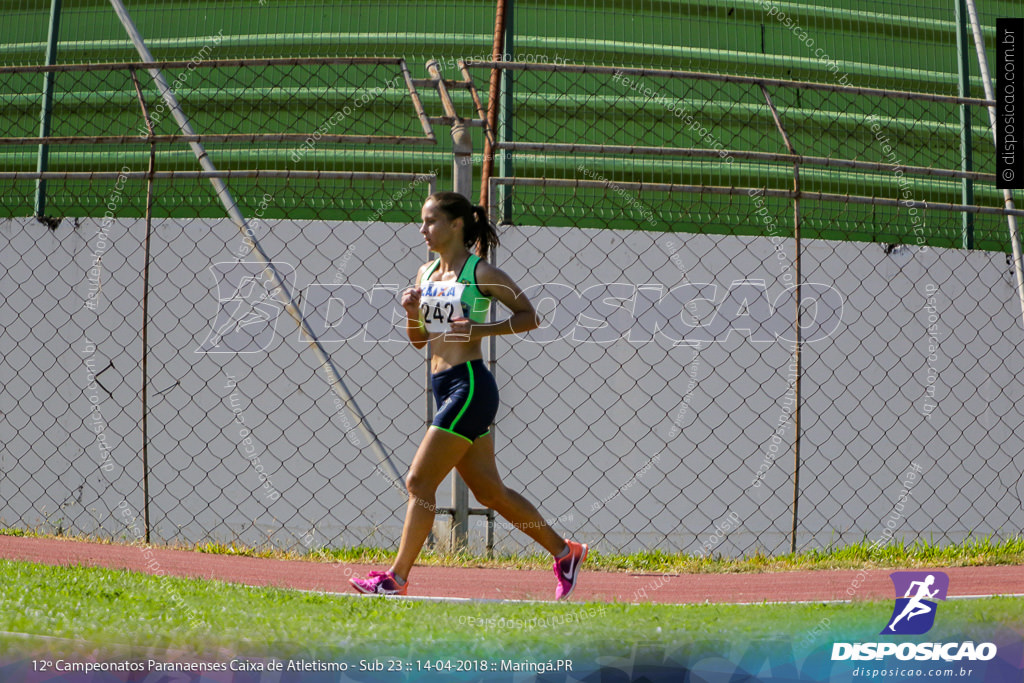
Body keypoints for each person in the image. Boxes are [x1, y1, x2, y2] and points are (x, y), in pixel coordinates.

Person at [349, 191, 587, 600]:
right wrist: (411, 312)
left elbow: (530, 316)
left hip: (471, 385)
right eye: (422, 222)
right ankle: (566, 552)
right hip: (444, 386)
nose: (422, 230)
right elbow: (420, 342)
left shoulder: (480, 273)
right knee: (490, 493)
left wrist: (481, 330)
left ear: (456, 224)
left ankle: (396, 579)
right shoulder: (425, 274)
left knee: (419, 481)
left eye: (430, 221)